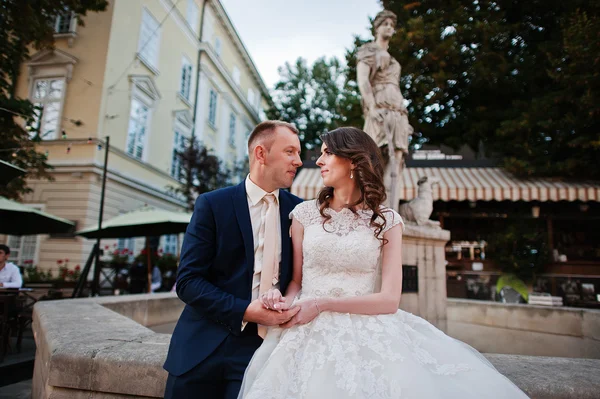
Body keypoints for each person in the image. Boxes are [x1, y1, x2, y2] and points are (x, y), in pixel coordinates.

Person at [238, 127, 528, 398]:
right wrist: (282, 300)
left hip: (367, 328)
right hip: (304, 328)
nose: (319, 161)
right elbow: (296, 282)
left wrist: (322, 303)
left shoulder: (388, 221)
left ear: (353, 161)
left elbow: (389, 299)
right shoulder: (304, 215)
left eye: (327, 153)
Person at [163, 120, 304, 399]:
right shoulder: (213, 204)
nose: (298, 161)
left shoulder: (299, 212)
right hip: (201, 348)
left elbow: (302, 279)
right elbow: (188, 282)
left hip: (265, 350)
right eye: (290, 152)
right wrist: (246, 311)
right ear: (261, 154)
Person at [357, 9, 414, 210]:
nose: (389, 27)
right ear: (377, 27)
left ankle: (391, 210)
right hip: (378, 110)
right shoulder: (369, 51)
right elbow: (363, 80)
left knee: (396, 162)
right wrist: (371, 107)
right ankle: (369, 207)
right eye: (385, 24)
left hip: (398, 112)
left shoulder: (393, 60)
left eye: (392, 25)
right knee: (372, 159)